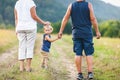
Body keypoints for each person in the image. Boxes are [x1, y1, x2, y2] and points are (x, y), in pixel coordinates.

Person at [58, 0, 101, 79]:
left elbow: (65, 19)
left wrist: (61, 31)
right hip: (87, 33)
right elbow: (93, 19)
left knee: (78, 53)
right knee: (89, 53)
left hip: (76, 33)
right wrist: (97, 31)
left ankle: (79, 74)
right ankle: (90, 73)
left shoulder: (71, 6)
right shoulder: (89, 5)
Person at [14, 0, 50, 72]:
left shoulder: (17, 3)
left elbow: (16, 18)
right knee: (29, 47)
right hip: (30, 27)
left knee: (21, 47)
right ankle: (28, 68)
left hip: (20, 27)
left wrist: (16, 28)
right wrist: (43, 23)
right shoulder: (31, 2)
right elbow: (34, 16)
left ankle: (21, 68)